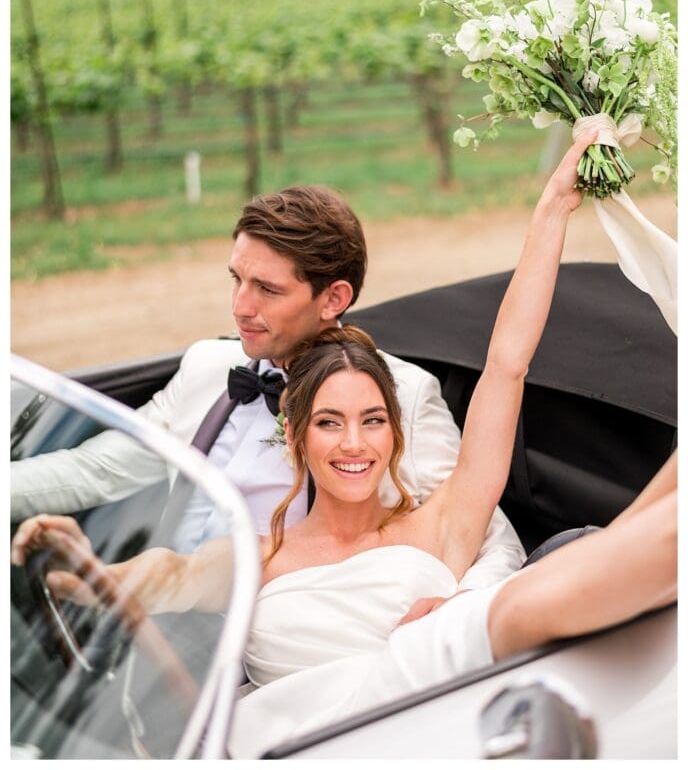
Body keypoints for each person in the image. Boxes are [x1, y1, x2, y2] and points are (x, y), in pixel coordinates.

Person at [12, 132, 677, 758]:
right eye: (330, 422)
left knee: (629, 545)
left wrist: (553, 209)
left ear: (396, 431)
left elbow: (507, 362)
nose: (355, 443)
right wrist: (86, 569)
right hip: (284, 744)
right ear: (296, 439)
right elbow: (163, 579)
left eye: (373, 421)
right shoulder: (259, 555)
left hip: (435, 681)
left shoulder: (441, 522)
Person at [11, 185, 524, 585]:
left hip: (277, 644)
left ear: (332, 298)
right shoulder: (207, 366)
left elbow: (490, 537)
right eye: (236, 279)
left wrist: (451, 612)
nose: (240, 307)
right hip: (159, 611)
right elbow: (97, 467)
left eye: (267, 289)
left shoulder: (400, 395)